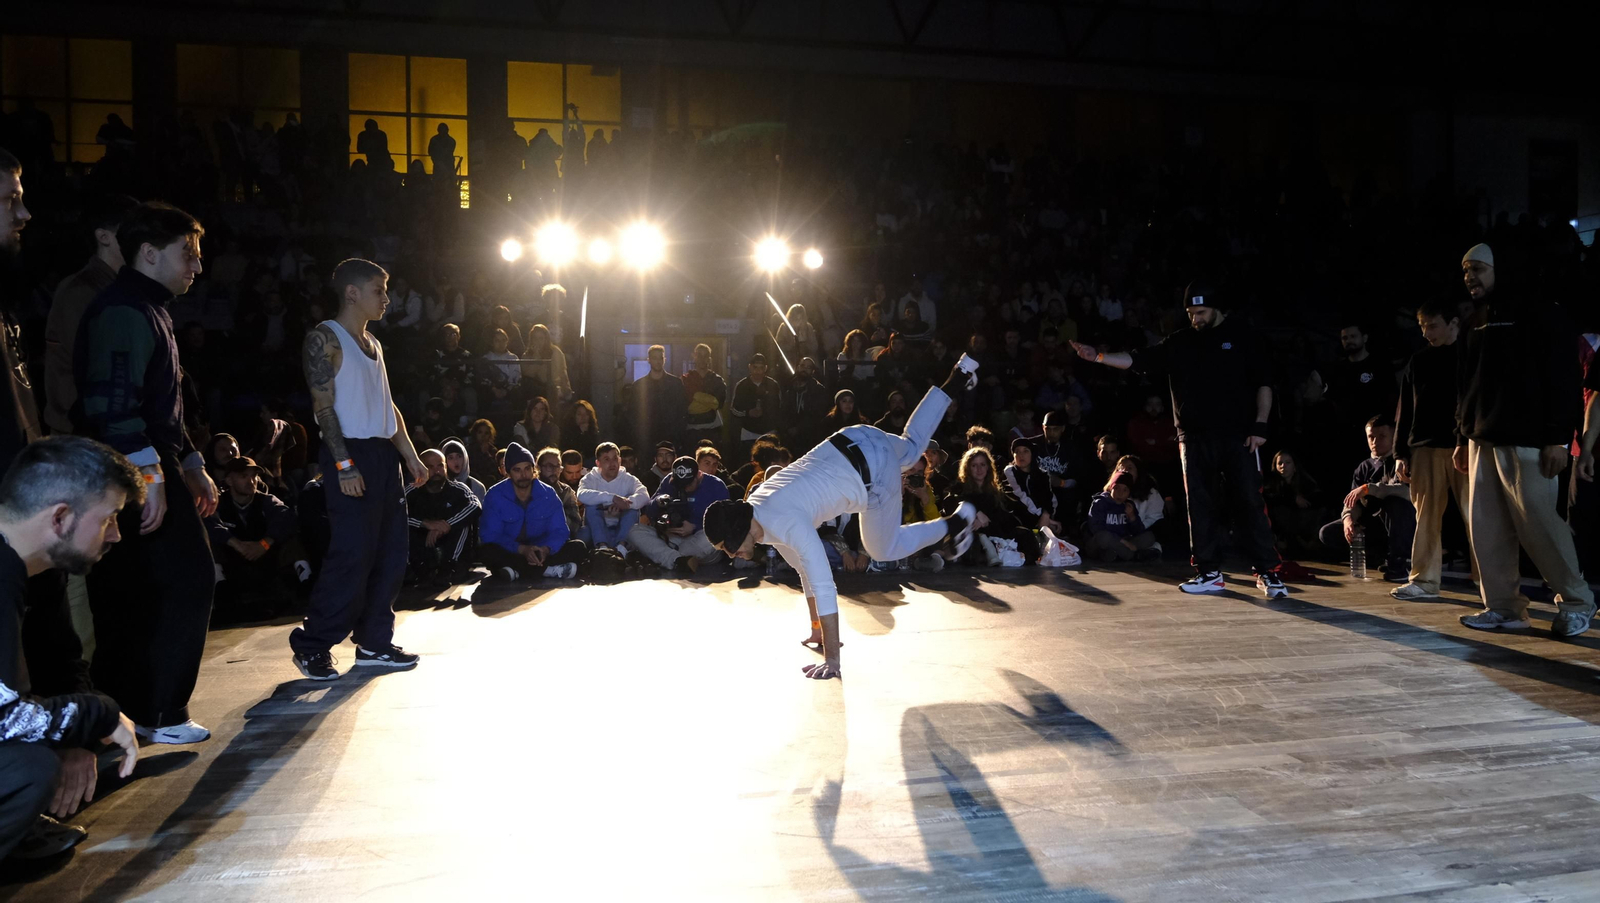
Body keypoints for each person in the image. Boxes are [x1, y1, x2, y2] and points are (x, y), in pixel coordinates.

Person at [701, 357, 984, 680]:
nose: (730, 554)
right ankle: (959, 374)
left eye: (729, 547)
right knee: (912, 445)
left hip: (873, 472)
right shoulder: (756, 507)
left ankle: (953, 524)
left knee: (882, 548)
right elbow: (801, 568)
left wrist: (832, 660)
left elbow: (823, 583)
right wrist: (816, 630)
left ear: (740, 533)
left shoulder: (787, 524)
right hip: (854, 437)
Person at [73, 201, 220, 744]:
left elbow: (164, 404)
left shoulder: (148, 307)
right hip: (129, 474)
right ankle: (157, 713)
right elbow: (114, 404)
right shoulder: (123, 310)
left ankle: (132, 712)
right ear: (149, 253)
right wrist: (152, 477)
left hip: (145, 468)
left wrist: (191, 463)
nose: (196, 267)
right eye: (189, 254)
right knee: (180, 580)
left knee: (140, 589)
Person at [1070, 279, 1288, 598]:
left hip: (1239, 436)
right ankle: (1209, 572)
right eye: (1190, 313)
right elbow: (1138, 360)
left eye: (1200, 312)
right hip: (1194, 438)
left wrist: (1260, 425)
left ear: (1216, 309)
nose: (1195, 319)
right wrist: (1099, 357)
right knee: (1200, 505)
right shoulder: (1181, 341)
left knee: (1249, 502)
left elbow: (1264, 384)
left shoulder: (1243, 337)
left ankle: (1268, 572)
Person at [0, 437, 141, 861]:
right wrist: (97, 713)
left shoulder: (28, 570)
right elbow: (6, 719)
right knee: (29, 772)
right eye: (109, 518)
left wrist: (78, 726)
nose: (115, 534)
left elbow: (61, 657)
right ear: (60, 517)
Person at [290, 259, 429, 681]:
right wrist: (344, 463)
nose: (386, 298)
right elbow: (323, 407)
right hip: (348, 454)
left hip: (383, 457)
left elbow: (387, 406)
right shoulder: (325, 339)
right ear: (352, 292)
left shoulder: (374, 343)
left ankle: (373, 643)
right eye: (378, 289)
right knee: (351, 554)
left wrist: (409, 453)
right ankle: (313, 645)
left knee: (390, 555)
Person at [1454, 243, 1594, 636]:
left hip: (1531, 440)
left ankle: (1579, 601)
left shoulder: (1542, 313)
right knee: (1486, 530)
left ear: (1501, 269)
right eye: (1466, 270)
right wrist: (1461, 435)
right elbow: (1465, 384)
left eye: (1478, 268)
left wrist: (1558, 439)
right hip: (1481, 440)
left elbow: (1566, 378)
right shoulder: (1473, 320)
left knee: (1541, 527)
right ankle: (1504, 608)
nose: (1469, 277)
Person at [1391, 298, 1469, 601]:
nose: (1427, 333)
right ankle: (1424, 580)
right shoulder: (1419, 360)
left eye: (1433, 326)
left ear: (1453, 324)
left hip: (1462, 445)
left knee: (1477, 516)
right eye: (1423, 327)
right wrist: (1400, 453)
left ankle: (1493, 587)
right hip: (1424, 446)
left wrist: (1466, 439)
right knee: (1425, 516)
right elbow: (1405, 409)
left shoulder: (1468, 356)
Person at [44, 193, 137, 436]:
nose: (142, 241)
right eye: (132, 232)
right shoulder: (80, 291)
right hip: (85, 437)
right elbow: (91, 371)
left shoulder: (126, 288)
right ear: (104, 236)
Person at [206, 456, 300, 619]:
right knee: (208, 545)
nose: (251, 481)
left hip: (264, 559)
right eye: (244, 476)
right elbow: (209, 524)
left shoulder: (266, 500)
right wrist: (235, 543)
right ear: (229, 480)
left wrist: (264, 543)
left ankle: (304, 584)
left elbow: (286, 517)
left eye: (254, 476)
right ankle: (220, 594)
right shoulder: (219, 503)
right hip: (234, 561)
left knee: (292, 541)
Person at [478, 442, 584, 582]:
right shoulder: (495, 495)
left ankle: (517, 571)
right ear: (508, 473)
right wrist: (522, 549)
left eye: (527, 468)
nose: (523, 475)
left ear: (534, 470)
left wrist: (545, 549)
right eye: (517, 470)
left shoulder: (548, 493)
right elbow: (490, 534)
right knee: (487, 551)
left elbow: (560, 531)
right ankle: (547, 571)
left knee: (578, 547)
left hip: (541, 550)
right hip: (512, 550)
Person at [627, 456, 729, 574]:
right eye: (680, 484)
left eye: (688, 484)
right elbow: (649, 511)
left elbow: (724, 521)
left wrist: (695, 526)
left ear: (699, 475)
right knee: (634, 531)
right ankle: (678, 560)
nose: (684, 487)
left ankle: (667, 558)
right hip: (672, 537)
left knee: (709, 539)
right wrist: (658, 502)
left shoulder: (716, 485)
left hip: (699, 540)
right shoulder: (668, 481)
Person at [404, 448, 484, 587]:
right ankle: (418, 568)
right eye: (430, 466)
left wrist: (445, 525)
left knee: (463, 523)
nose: (436, 470)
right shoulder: (411, 492)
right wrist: (424, 523)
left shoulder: (459, 489)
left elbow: (475, 506)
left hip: (451, 545)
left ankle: (450, 566)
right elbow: (394, 515)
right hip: (422, 544)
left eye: (440, 465)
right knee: (405, 526)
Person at [576, 442, 648, 551]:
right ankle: (603, 549)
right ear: (598, 463)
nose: (612, 463)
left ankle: (621, 549)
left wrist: (626, 503)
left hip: (622, 530)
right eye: (606, 459)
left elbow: (644, 495)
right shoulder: (590, 478)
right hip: (596, 533)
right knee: (591, 507)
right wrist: (612, 498)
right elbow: (581, 494)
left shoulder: (628, 479)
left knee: (632, 505)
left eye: (615, 459)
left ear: (619, 460)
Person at [1085, 471, 1158, 561]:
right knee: (1103, 537)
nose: (1120, 493)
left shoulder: (1128, 505)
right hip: (1104, 542)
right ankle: (1132, 555)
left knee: (1149, 536)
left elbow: (1138, 531)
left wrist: (1132, 517)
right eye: (1117, 488)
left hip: (1123, 542)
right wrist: (1123, 542)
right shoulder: (1100, 503)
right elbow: (1096, 529)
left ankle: (1116, 554)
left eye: (1125, 490)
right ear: (1111, 488)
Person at [631, 344, 685, 451]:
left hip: (671, 436)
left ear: (664, 359)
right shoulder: (639, 386)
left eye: (660, 358)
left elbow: (682, 410)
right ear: (649, 360)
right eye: (655, 358)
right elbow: (633, 413)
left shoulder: (676, 384)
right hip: (647, 437)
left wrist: (679, 435)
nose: (658, 361)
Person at [730, 353, 783, 458]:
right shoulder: (742, 385)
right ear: (749, 367)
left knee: (770, 463)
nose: (758, 371)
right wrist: (748, 412)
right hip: (748, 432)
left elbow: (780, 408)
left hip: (769, 431)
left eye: (761, 368)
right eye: (755, 367)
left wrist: (767, 413)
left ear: (765, 368)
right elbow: (734, 409)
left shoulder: (773, 385)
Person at [1003, 438, 1060, 532]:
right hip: (1018, 515)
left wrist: (1048, 514)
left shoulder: (1042, 474)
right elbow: (1020, 495)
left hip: (1039, 517)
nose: (1021, 455)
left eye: (1025, 451)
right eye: (1017, 451)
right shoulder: (1010, 472)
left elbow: (1049, 498)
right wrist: (1043, 515)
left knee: (1051, 529)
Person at [682, 344, 726, 446]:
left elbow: (718, 404)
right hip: (691, 431)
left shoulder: (717, 380)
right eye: (699, 355)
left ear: (709, 359)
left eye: (705, 356)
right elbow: (686, 406)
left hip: (713, 430)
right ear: (694, 356)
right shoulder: (686, 380)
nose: (702, 359)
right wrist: (709, 401)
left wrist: (695, 395)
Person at [537, 447, 584, 539]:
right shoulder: (528, 489)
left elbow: (575, 525)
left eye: (558, 466)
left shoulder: (566, 491)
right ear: (539, 467)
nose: (555, 471)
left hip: (559, 538)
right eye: (550, 466)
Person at [442, 437, 485, 502]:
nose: (456, 461)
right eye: (450, 458)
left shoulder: (477, 486)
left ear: (465, 458)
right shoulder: (439, 485)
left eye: (459, 456)